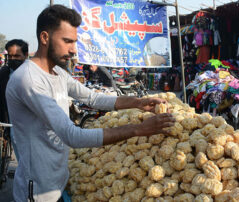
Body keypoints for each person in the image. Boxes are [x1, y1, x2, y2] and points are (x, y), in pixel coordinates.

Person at [6, 5, 175, 202]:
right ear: (45, 38)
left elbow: (93, 98)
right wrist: (139, 129)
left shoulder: (59, 73)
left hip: (58, 183)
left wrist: (139, 102)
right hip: (37, 192)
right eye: (67, 41)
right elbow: (73, 136)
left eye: (74, 42)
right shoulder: (29, 79)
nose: (73, 49)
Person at [0, 39, 28, 161]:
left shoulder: (32, 74)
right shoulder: (4, 73)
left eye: (17, 56)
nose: (13, 59)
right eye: (10, 56)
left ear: (25, 56)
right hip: (9, 120)